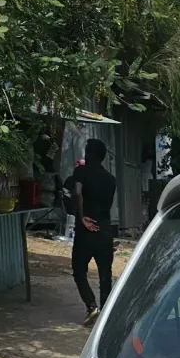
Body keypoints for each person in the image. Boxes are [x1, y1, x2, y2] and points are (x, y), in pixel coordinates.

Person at [70, 139, 116, 324]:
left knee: (79, 270)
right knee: (105, 274)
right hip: (105, 229)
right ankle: (106, 315)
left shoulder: (81, 171)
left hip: (86, 230)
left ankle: (91, 306)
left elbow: (77, 193)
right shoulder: (111, 179)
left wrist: (81, 216)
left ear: (89, 154)